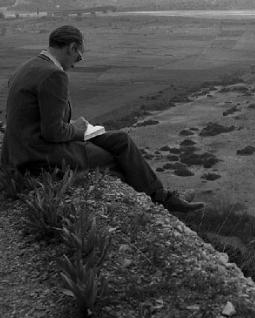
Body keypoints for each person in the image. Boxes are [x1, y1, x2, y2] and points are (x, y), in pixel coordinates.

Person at [0, 25, 203, 213]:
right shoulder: (54, 75)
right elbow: (53, 132)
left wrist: (71, 127)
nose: (79, 58)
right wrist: (78, 130)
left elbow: (37, 119)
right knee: (111, 159)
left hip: (21, 148)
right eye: (79, 53)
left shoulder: (28, 66)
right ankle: (151, 206)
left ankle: (160, 195)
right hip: (37, 155)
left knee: (120, 140)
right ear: (71, 47)